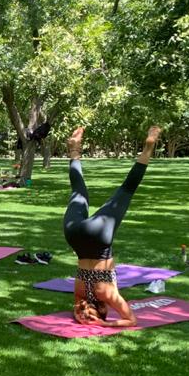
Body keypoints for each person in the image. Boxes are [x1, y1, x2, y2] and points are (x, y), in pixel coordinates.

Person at [63, 125, 160, 327]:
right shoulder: (80, 293)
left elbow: (130, 320)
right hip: (74, 236)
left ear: (103, 308)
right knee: (78, 191)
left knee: (127, 189)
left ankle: (148, 148)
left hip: (98, 238)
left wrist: (104, 325)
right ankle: (74, 150)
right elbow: (79, 310)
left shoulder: (106, 294)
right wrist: (86, 316)